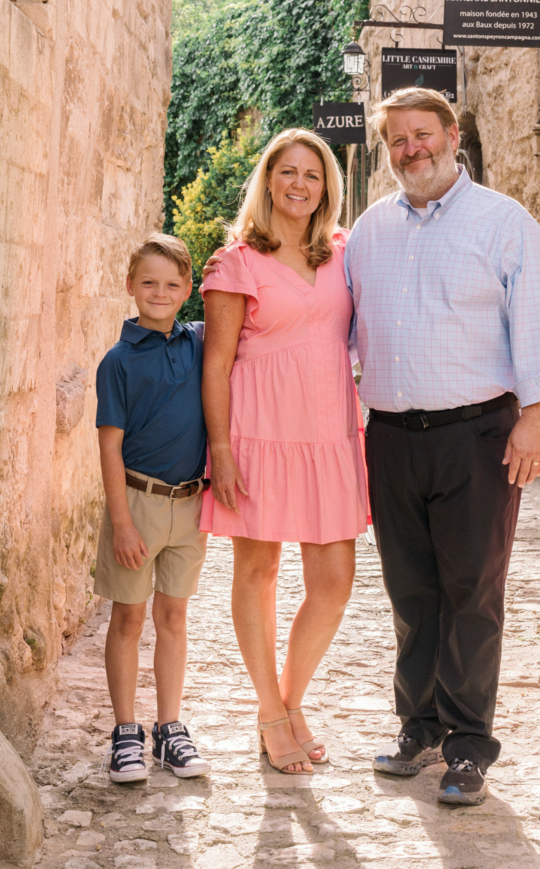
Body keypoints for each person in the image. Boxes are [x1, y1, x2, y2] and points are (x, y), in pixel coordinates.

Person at [344, 88, 540, 807]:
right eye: (398, 141)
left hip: (478, 435)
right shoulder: (370, 231)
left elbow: (537, 321)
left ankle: (469, 744)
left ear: (450, 135)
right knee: (410, 592)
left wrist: (536, 418)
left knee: (472, 590)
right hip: (391, 437)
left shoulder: (503, 223)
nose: (412, 149)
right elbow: (346, 333)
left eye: (422, 134)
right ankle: (419, 726)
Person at [201, 128, 367, 775]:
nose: (300, 184)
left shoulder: (344, 253)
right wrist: (222, 448)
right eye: (288, 171)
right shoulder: (236, 262)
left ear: (327, 187)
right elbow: (216, 365)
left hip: (328, 434)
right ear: (268, 180)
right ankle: (271, 711)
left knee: (334, 583)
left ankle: (291, 698)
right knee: (259, 573)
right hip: (257, 433)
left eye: (313, 174)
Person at [94, 234, 211, 783]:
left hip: (189, 504)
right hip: (136, 504)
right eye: (148, 283)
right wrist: (120, 522)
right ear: (129, 286)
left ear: (188, 289)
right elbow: (110, 446)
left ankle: (169, 727)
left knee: (174, 616)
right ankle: (125, 732)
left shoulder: (200, 343)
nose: (159, 293)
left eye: (171, 284)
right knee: (128, 617)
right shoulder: (117, 362)